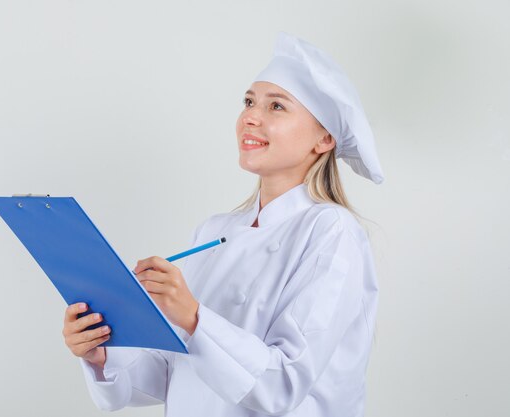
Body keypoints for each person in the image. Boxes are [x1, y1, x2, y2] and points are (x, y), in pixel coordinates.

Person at [62, 31, 384, 417]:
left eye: (276, 106)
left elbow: (282, 385)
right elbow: (176, 372)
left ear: (325, 138)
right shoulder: (214, 232)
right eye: (249, 101)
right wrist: (101, 355)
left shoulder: (332, 232)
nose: (250, 116)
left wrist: (195, 317)